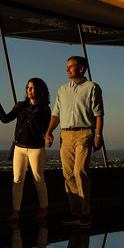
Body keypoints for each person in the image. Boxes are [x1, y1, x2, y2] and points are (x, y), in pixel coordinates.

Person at [44, 56, 104, 225]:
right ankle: (75, 213)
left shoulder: (92, 87)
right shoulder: (62, 90)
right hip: (66, 135)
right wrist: (49, 132)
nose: (67, 69)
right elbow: (56, 114)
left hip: (84, 133)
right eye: (67, 66)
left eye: (70, 66)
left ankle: (86, 213)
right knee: (68, 174)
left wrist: (98, 135)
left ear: (81, 68)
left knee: (80, 171)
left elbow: (99, 114)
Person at [0, 78, 51, 223]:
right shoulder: (20, 106)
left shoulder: (44, 109)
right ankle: (15, 211)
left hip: (36, 149)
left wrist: (49, 136)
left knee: (38, 179)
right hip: (19, 148)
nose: (30, 90)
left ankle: (44, 208)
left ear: (40, 90)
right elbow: (6, 119)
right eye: (28, 88)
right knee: (17, 180)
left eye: (33, 87)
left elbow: (46, 129)